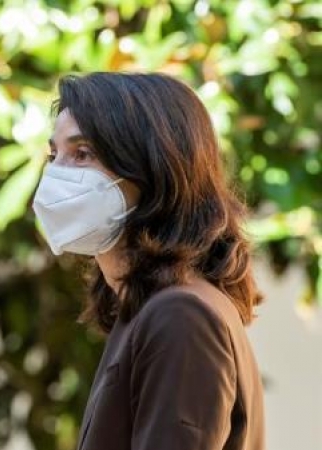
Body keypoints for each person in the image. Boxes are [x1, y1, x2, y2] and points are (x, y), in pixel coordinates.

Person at [31, 72, 264, 450]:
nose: (56, 174)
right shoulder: (146, 307)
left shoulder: (181, 313)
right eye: (54, 155)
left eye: (83, 154)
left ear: (153, 169)